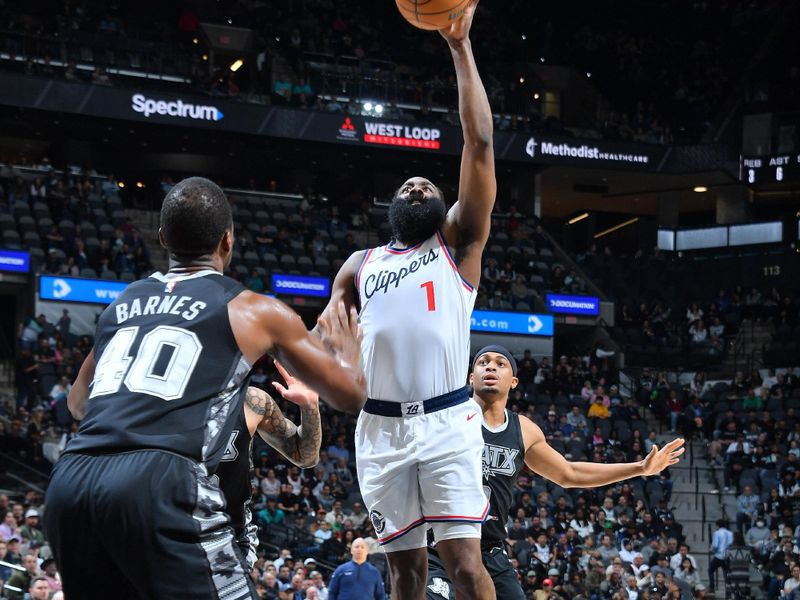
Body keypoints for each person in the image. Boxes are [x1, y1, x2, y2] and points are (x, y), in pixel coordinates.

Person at [44, 176, 366, 599]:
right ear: (227, 241)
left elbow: (78, 403)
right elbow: (350, 395)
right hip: (159, 482)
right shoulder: (252, 308)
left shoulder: (121, 304)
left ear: (163, 239)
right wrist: (350, 351)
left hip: (72, 481)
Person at [320, 3, 496, 598]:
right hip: (379, 431)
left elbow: (479, 142)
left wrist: (459, 46)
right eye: (406, 185)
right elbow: (332, 343)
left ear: (442, 206)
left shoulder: (457, 243)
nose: (417, 184)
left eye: (427, 184)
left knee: (466, 564)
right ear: (391, 208)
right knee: (405, 573)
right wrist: (330, 348)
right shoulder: (358, 266)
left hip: (448, 420)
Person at [425, 346, 685, 600]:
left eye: (500, 363)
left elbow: (569, 473)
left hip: (489, 550)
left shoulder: (523, 430)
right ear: (471, 377)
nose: (491, 366)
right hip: (443, 542)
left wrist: (640, 468)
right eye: (483, 362)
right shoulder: (449, 416)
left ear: (513, 381)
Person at [216, 361, 322, 568]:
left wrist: (310, 407)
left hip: (232, 539)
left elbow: (305, 456)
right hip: (169, 531)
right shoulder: (159, 404)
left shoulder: (252, 400)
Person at [708, 518, 733, 594]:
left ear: (717, 525)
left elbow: (715, 546)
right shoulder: (730, 533)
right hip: (727, 556)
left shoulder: (717, 533)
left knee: (710, 570)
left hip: (719, 556)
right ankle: (728, 589)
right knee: (726, 573)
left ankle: (712, 587)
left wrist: (711, 549)